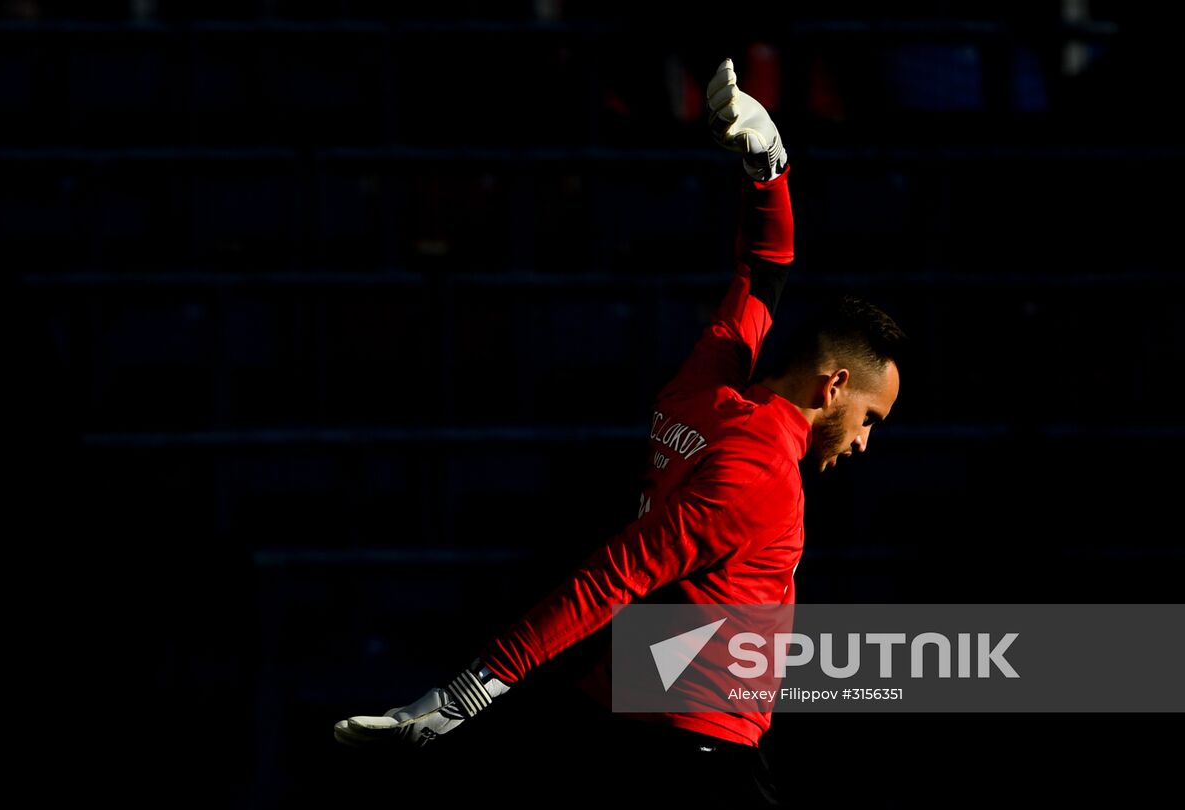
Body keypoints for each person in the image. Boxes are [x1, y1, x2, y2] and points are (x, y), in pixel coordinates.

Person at [334, 57, 906, 807]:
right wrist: (469, 692)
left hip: (625, 714)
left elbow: (764, 268)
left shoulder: (705, 382)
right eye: (870, 418)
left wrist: (768, 169)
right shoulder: (763, 469)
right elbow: (618, 573)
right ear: (834, 386)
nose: (865, 442)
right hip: (694, 753)